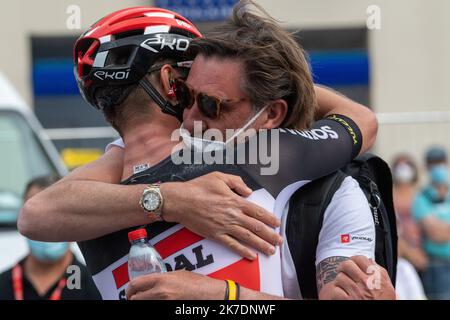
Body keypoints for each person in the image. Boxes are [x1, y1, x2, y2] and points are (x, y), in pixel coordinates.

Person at [19, 2, 393, 300]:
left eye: (212, 103)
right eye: (189, 91)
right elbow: (359, 119)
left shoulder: (91, 204)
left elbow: (35, 215)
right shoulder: (266, 156)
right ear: (171, 83)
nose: (194, 114)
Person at [0, 176, 100, 300]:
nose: (45, 226)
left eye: (57, 214)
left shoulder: (96, 288)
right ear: (21, 218)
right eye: (35, 214)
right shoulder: (4, 284)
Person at [412, 146, 450, 300]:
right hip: (437, 266)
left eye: (440, 162)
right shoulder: (421, 198)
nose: (437, 166)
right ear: (427, 166)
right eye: (433, 163)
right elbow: (436, 234)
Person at [392, 155, 428, 272]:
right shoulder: (388, 195)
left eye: (407, 165)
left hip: (421, 253)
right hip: (398, 253)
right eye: (400, 166)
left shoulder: (420, 196)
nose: (403, 169)